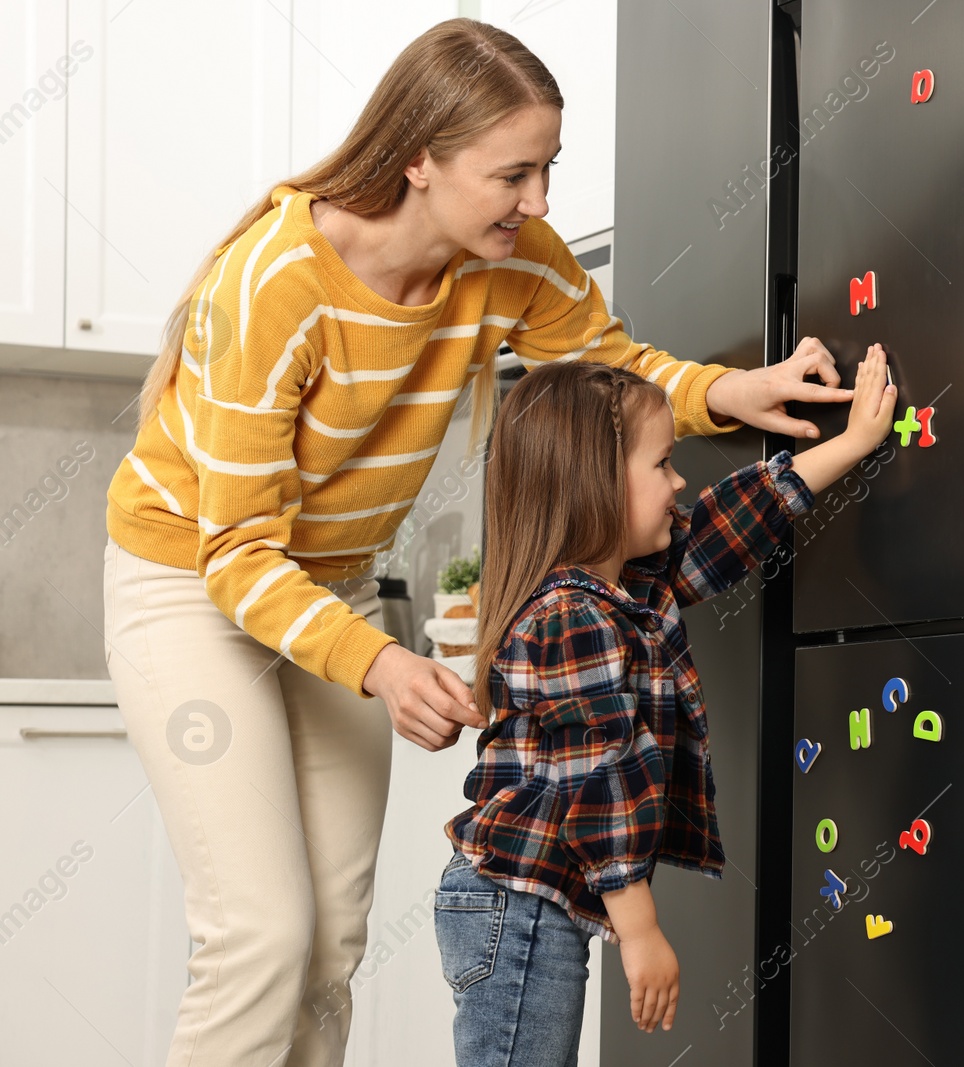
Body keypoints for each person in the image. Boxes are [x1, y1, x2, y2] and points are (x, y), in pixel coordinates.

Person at [100, 18, 851, 1067]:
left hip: (330, 582)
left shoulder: (507, 261)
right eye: (514, 174)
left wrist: (735, 391)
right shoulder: (275, 283)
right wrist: (380, 660)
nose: (539, 203)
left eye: (549, 169)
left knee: (332, 936)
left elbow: (610, 364)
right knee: (262, 935)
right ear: (419, 158)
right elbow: (234, 553)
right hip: (193, 578)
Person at [438, 346, 895, 1065]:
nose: (680, 481)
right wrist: (641, 929)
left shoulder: (625, 589)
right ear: (592, 485)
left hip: (527, 902)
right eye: (661, 465)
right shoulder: (573, 615)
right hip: (518, 907)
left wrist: (854, 443)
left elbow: (726, 526)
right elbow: (599, 776)